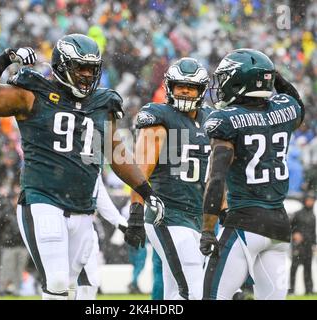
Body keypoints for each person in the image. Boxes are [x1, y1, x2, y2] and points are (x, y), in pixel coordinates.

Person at [0, 34, 164, 300]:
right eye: (79, 67)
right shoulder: (31, 94)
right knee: (57, 283)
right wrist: (3, 61)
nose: (86, 74)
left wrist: (146, 189)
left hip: (83, 209)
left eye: (91, 69)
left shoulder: (102, 103)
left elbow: (117, 154)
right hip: (43, 199)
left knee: (80, 284)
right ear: (61, 66)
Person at [200, 48, 305, 300]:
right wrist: (272, 76)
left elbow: (216, 178)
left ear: (239, 81)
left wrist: (207, 229)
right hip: (279, 226)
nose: (222, 85)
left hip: (245, 223)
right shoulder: (285, 110)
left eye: (226, 78)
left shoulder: (226, 119)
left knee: (210, 297)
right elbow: (296, 102)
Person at [125, 57, 211, 300]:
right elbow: (140, 170)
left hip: (197, 216)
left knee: (176, 291)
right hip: (168, 213)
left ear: (201, 90)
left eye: (191, 86)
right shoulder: (159, 116)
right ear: (169, 88)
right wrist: (135, 213)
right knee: (196, 291)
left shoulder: (211, 120)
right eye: (179, 85)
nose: (185, 90)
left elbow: (218, 173)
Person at [75, 175, 128, 300]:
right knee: (58, 283)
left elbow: (98, 188)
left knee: (90, 283)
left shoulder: (94, 165)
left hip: (85, 225)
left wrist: (118, 221)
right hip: (61, 218)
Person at [289, 191, 316, 295]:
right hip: (298, 246)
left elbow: (313, 232)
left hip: (308, 246)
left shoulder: (313, 215)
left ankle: (309, 290)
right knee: (294, 268)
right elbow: (290, 227)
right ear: (305, 200)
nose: (310, 202)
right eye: (309, 200)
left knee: (308, 268)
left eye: (312, 200)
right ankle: (291, 290)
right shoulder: (298, 214)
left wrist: (314, 243)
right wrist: (295, 233)